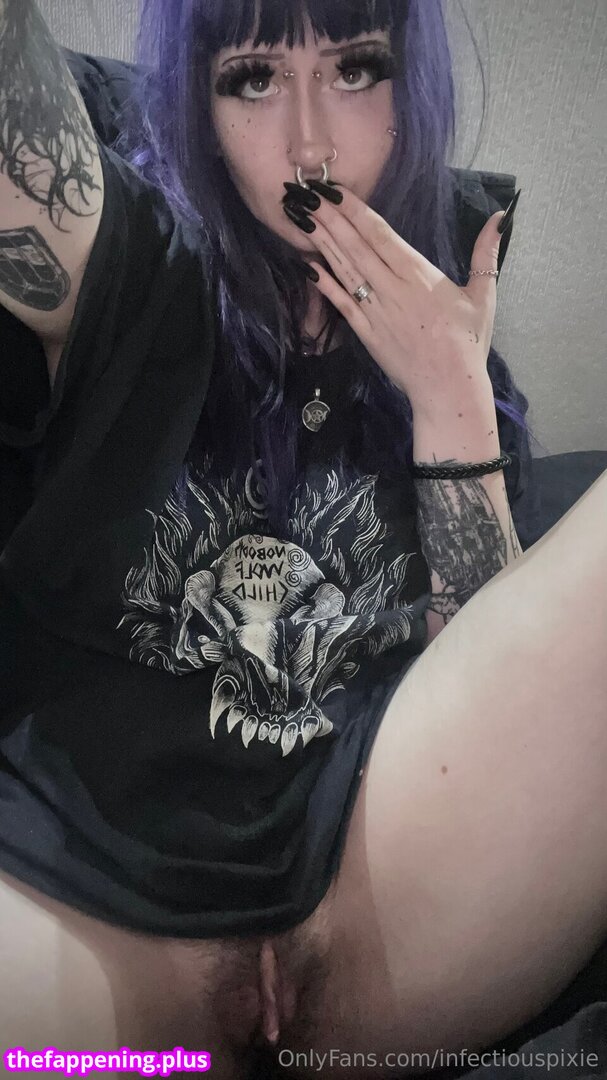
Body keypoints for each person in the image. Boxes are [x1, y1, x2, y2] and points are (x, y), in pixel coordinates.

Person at [0, 0, 605, 1078]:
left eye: (356, 68)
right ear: (198, 105)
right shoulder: (131, 259)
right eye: (252, 79)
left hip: (389, 901)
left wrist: (452, 398)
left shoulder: (445, 321)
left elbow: (490, 682)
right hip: (92, 921)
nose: (310, 143)